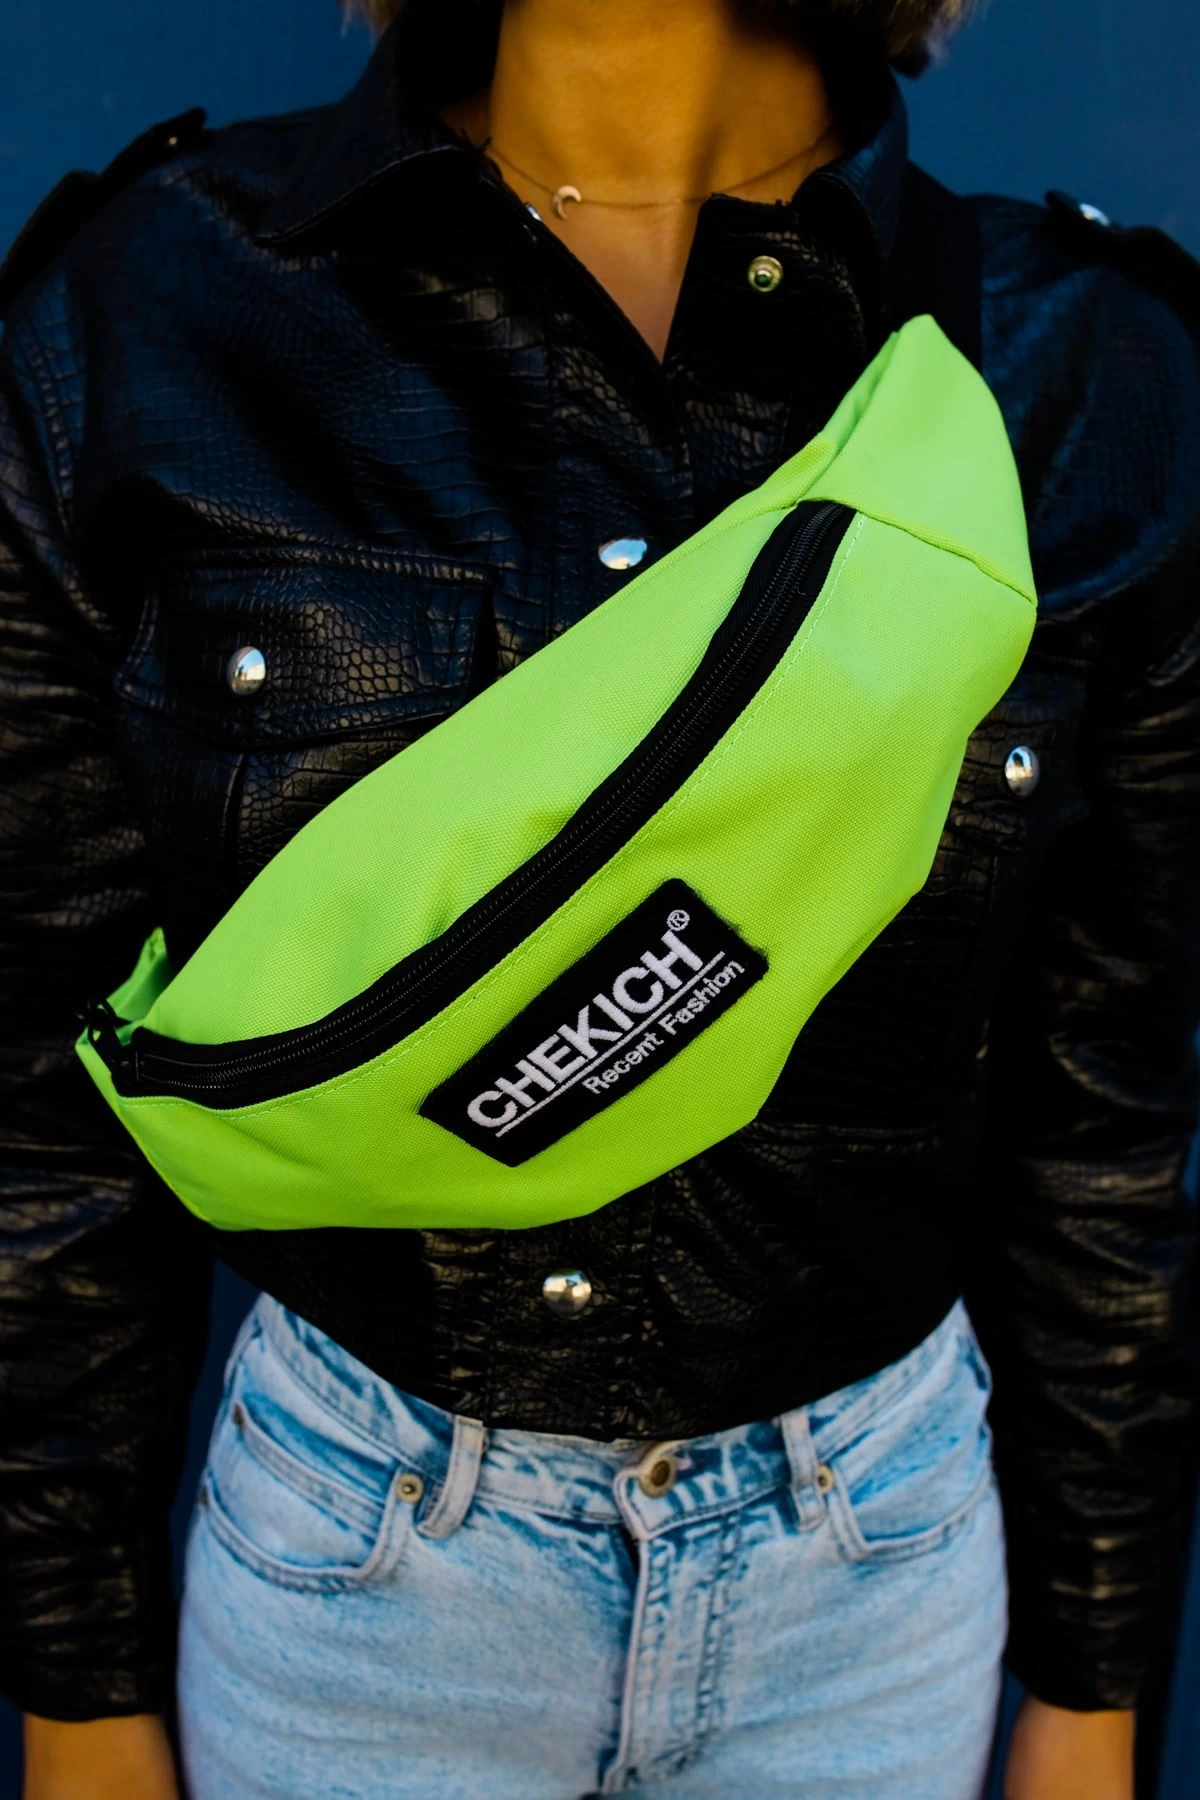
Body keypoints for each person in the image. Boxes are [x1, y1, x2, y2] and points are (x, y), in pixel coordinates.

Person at [2, 1, 1197, 1795]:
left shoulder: (1082, 373)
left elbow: (1102, 1128)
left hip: (877, 1589)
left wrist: (1091, 1693)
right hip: (354, 1585)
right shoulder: (141, 315)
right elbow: (45, 1114)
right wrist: (78, 1696)